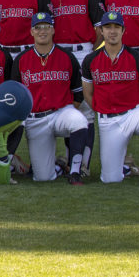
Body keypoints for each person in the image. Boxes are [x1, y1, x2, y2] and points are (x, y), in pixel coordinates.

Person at [81, 10, 139, 187]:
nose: (112, 31)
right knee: (110, 179)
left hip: (132, 114)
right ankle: (127, 166)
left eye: (116, 27)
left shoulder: (136, 57)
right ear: (101, 31)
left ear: (123, 31)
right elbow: (87, 94)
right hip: (107, 121)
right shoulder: (90, 60)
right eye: (107, 27)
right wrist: (100, 109)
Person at [11, 12, 89, 184]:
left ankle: (75, 171)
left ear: (53, 30)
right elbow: (15, 95)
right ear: (31, 31)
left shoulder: (67, 57)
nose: (42, 31)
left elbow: (77, 93)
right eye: (38, 28)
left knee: (79, 121)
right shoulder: (21, 60)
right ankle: (61, 165)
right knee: (43, 178)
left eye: (46, 27)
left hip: (61, 112)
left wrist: (65, 110)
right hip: (35, 119)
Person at [49, 0, 104, 174]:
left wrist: (89, 48)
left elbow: (100, 30)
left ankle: (83, 164)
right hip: (59, 52)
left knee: (87, 110)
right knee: (64, 106)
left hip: (82, 51)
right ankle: (71, 158)